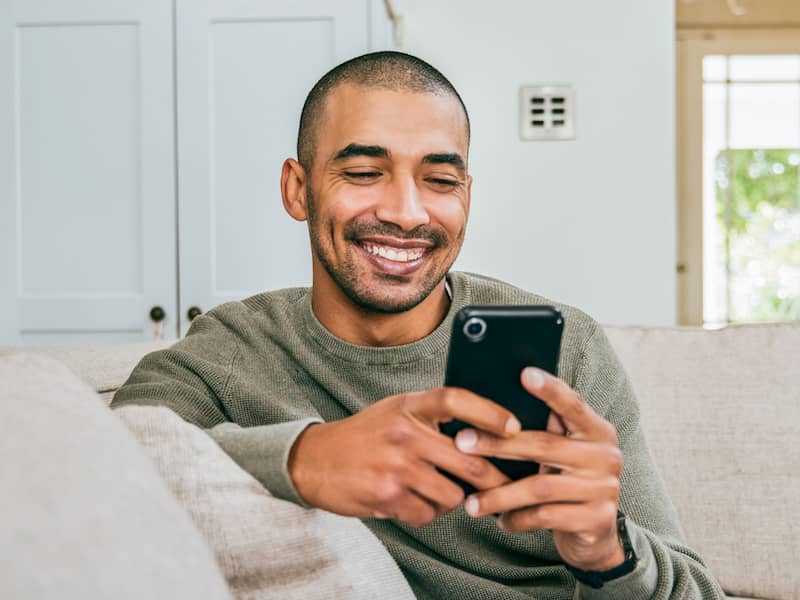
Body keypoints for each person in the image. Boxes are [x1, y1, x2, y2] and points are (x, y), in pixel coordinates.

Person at [111, 51, 724, 599]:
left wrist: (607, 553)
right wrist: (305, 458)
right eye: (362, 173)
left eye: (440, 181)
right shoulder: (229, 353)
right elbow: (96, 468)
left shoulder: (570, 351)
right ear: (298, 190)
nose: (406, 213)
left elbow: (698, 592)